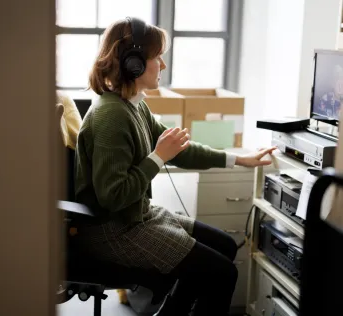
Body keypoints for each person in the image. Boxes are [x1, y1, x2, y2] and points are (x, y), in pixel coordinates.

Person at [73, 17, 276, 316]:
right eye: (157, 58)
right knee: (222, 273)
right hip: (114, 230)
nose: (163, 66)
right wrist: (157, 158)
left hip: (135, 216)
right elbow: (112, 196)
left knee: (225, 247)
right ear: (134, 64)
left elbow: (178, 149)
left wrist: (237, 159)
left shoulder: (134, 104)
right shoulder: (111, 116)